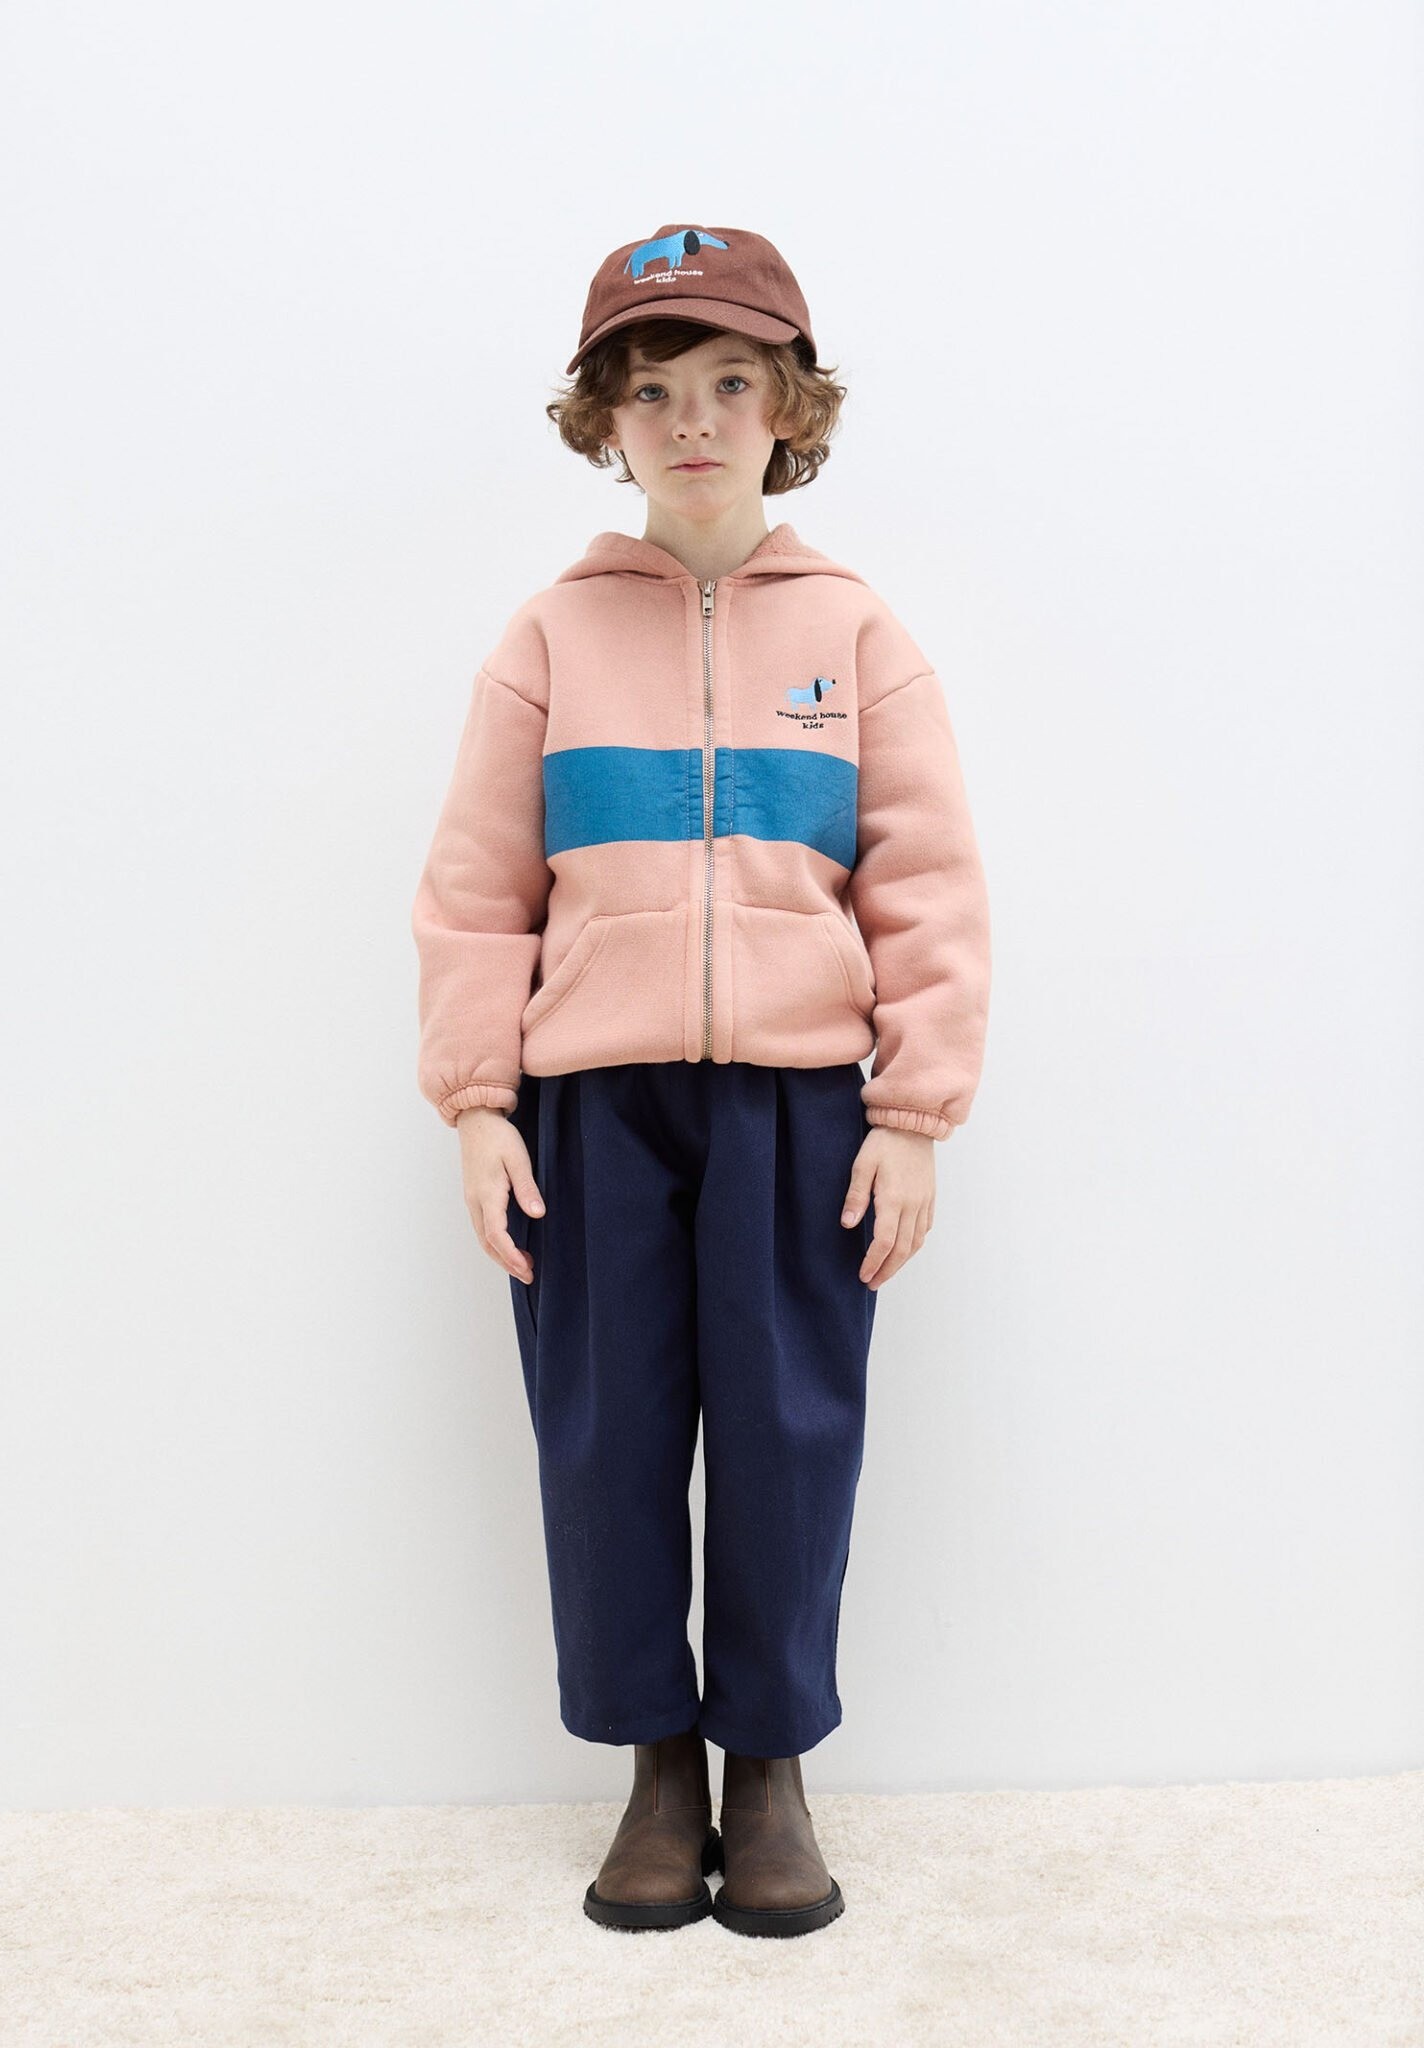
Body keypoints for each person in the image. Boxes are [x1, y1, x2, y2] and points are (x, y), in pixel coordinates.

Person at [411, 224, 991, 1938]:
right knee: (605, 1436)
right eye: (653, 389)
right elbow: (475, 889)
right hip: (592, 1110)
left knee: (791, 1433)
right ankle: (655, 1769)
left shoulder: (858, 634)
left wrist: (913, 1113)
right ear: (603, 416)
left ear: (788, 410)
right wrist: (479, 1101)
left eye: (731, 385)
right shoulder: (549, 638)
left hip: (800, 1108)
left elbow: (929, 885)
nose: (692, 422)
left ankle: (770, 1768)